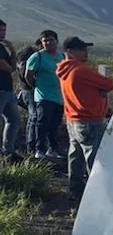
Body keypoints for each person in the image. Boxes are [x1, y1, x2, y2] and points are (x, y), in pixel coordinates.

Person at [56, 37, 113, 201]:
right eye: (81, 49)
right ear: (70, 52)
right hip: (90, 120)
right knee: (95, 158)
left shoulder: (63, 69)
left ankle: (75, 189)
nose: (85, 52)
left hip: (73, 119)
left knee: (75, 156)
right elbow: (109, 84)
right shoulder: (82, 70)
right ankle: (96, 194)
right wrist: (101, 92)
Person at [25, 30, 66, 162]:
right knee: (42, 123)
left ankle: (53, 148)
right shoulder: (37, 57)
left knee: (55, 124)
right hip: (43, 96)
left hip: (59, 96)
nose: (48, 43)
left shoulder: (62, 57)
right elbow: (28, 75)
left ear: (57, 41)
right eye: (45, 41)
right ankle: (39, 149)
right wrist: (36, 87)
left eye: (51, 40)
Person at [0, 19, 24, 161]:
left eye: (4, 30)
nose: (3, 34)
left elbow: (13, 67)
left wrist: (13, 50)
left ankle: (7, 150)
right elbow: (8, 68)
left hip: (8, 90)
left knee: (14, 120)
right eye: (0, 30)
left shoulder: (3, 48)